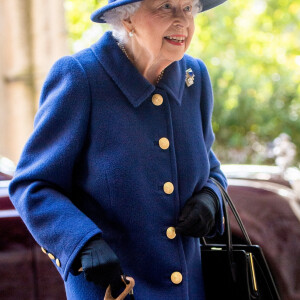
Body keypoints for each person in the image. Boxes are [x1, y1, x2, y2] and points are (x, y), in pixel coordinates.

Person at [9, 0, 228, 299]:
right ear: (127, 20)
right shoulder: (81, 77)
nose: (183, 21)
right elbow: (31, 185)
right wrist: (82, 242)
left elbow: (210, 167)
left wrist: (210, 197)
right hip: (114, 289)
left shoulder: (195, 77)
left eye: (188, 7)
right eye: (166, 6)